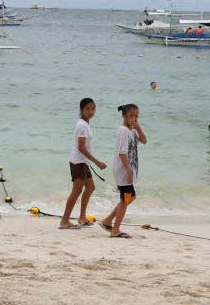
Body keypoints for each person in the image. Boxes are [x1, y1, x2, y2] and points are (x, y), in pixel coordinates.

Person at [58, 97, 107, 230]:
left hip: (83, 162)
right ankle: (64, 221)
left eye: (93, 108)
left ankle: (82, 217)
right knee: (76, 191)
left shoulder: (85, 124)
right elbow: (81, 147)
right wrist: (96, 162)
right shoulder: (81, 125)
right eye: (87, 109)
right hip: (78, 162)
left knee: (90, 187)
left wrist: (90, 162)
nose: (91, 111)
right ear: (82, 110)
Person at [101, 104, 146, 239]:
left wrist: (137, 126)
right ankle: (115, 230)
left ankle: (108, 221)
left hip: (128, 169)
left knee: (129, 197)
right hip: (123, 169)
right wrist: (128, 171)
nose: (134, 118)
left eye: (136, 116)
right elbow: (122, 153)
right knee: (126, 199)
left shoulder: (132, 131)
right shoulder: (123, 131)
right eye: (131, 115)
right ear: (124, 116)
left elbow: (144, 140)